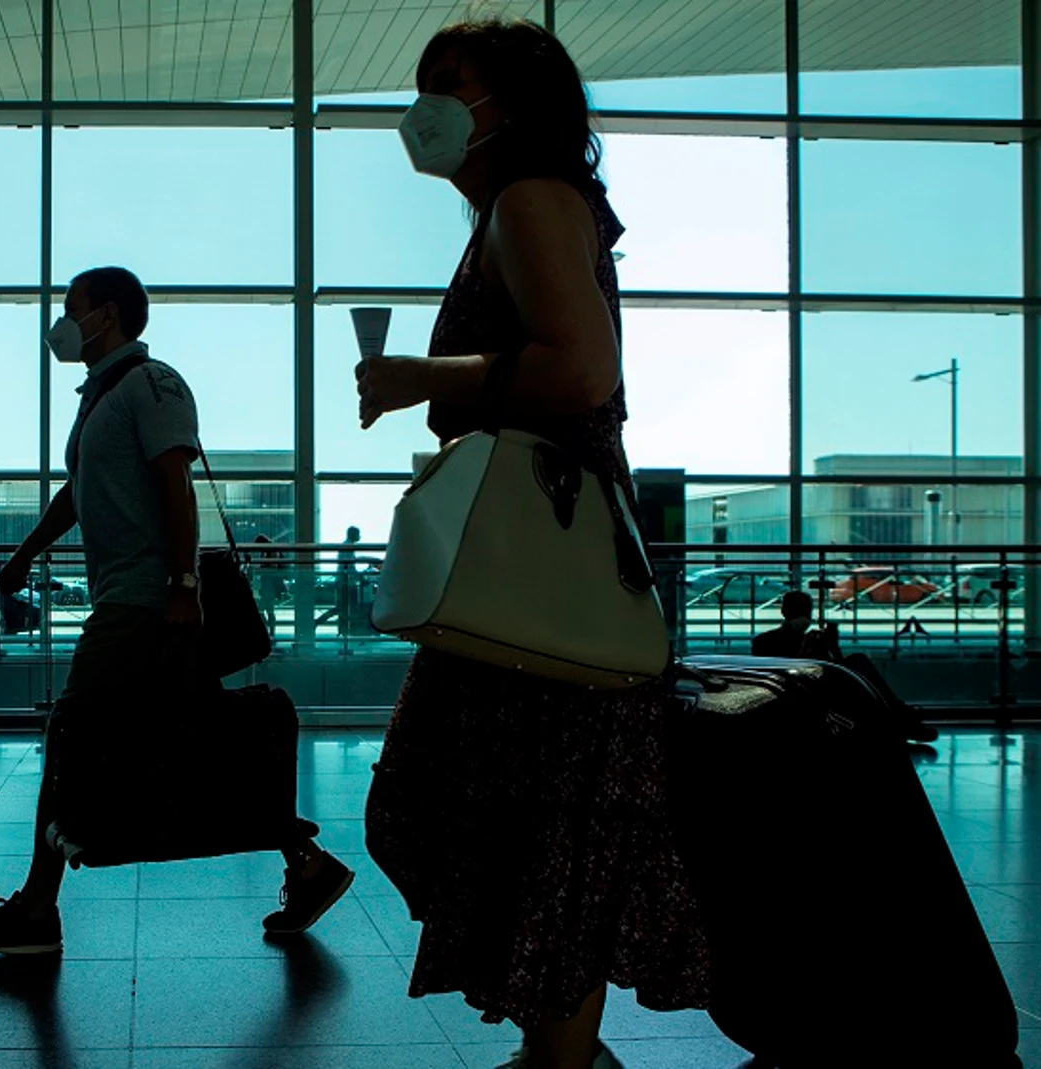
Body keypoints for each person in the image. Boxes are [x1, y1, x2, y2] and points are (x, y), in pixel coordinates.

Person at [351, 19, 710, 1069]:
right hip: (544, 558)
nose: (427, 106)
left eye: (449, 84)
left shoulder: (531, 200)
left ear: (515, 101)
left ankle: (561, 1058)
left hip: (542, 558)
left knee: (529, 818)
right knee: (535, 820)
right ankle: (561, 1053)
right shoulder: (518, 210)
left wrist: (425, 379)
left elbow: (582, 372)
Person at [0, 266, 353, 956]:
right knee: (201, 737)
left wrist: (183, 586)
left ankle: (37, 909)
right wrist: (26, 553)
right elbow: (76, 494)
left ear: (105, 316)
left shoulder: (151, 384)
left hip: (145, 600)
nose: (63, 322)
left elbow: (175, 483)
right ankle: (308, 865)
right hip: (136, 598)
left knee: (72, 727)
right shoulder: (99, 398)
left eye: (72, 308)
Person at [754, 590, 939, 742]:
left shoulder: (804, 639)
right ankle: (903, 716)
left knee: (857, 663)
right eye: (800, 611)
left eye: (806, 612)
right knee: (857, 666)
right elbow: (779, 675)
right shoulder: (766, 641)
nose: (804, 617)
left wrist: (831, 647)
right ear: (786, 612)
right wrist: (807, 650)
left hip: (824, 684)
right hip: (804, 689)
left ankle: (901, 717)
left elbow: (837, 667)